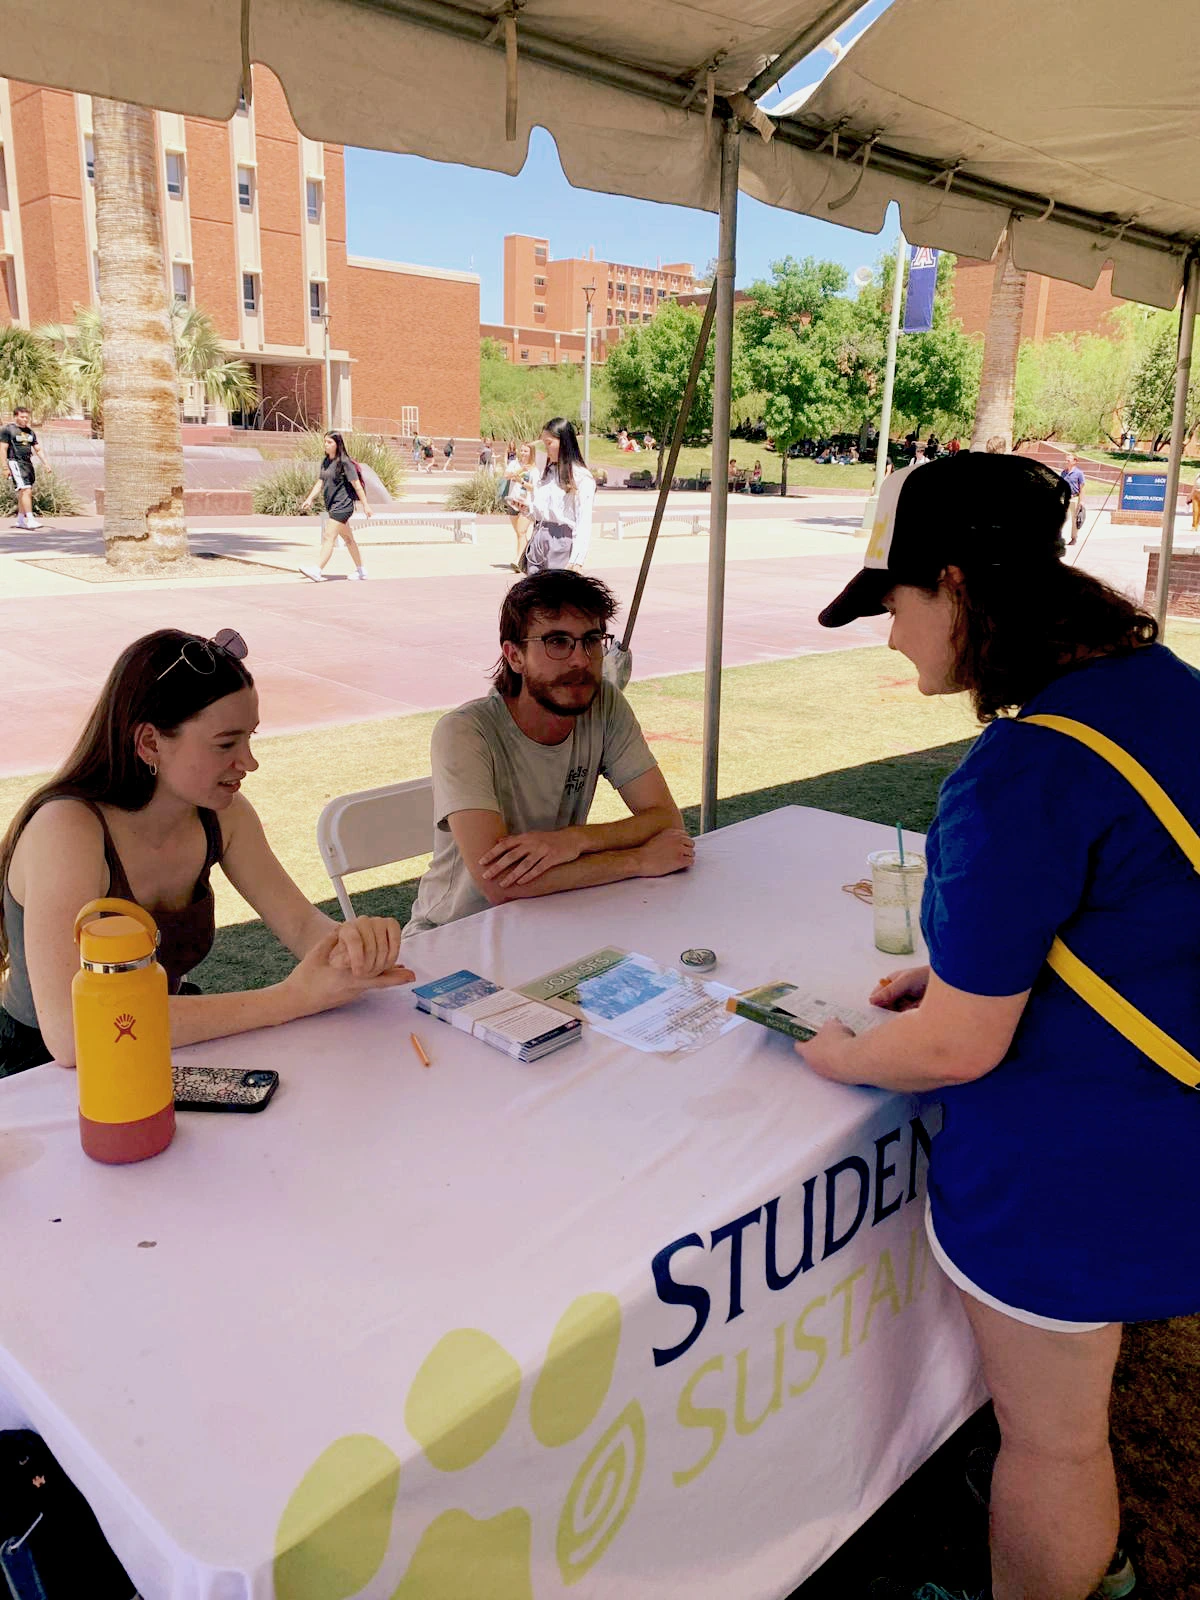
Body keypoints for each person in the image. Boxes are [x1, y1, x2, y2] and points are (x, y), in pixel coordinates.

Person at [810, 451, 1200, 1600]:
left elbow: (956, 1049)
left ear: (954, 586)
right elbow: (1131, 915)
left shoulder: (1021, 765)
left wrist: (842, 1053)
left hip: (1083, 1161)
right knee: (1070, 1407)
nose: (891, 635)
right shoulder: (1161, 684)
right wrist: (960, 979)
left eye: (895, 603)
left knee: (1055, 1437)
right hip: (1166, 1119)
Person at [0, 629, 412, 1075]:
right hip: (39, 1075)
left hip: (163, 1044)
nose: (249, 762)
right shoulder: (67, 830)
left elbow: (299, 923)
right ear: (151, 743)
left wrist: (351, 946)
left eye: (250, 738)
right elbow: (72, 1033)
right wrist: (288, 1000)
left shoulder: (223, 815)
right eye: (226, 744)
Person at [405, 571, 693, 936]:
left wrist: (574, 840)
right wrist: (637, 859)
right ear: (514, 656)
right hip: (455, 935)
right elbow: (502, 884)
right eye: (558, 642)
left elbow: (666, 820)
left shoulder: (604, 704)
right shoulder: (465, 731)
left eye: (591, 640)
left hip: (554, 919)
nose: (580, 660)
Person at [523, 417, 595, 574]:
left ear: (564, 442)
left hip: (561, 541)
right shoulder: (549, 473)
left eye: (549, 443)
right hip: (539, 537)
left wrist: (577, 560)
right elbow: (541, 511)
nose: (546, 449)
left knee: (555, 595)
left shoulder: (581, 477)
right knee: (533, 595)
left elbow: (583, 520)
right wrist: (526, 508)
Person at [298, 431, 372, 581]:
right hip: (333, 506)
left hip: (343, 506)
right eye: (325, 441)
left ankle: (317, 570)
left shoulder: (345, 463)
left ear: (338, 444)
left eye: (330, 442)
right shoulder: (325, 462)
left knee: (328, 536)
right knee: (348, 538)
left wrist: (366, 505)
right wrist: (310, 499)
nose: (326, 444)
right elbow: (320, 482)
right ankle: (361, 571)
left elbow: (356, 485)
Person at [1, 405, 49, 531]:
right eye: (22, 417)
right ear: (16, 416)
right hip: (15, 462)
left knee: (25, 491)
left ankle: (20, 520)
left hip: (27, 463)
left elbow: (37, 448)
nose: (25, 419)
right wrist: (4, 467)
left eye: (27, 417)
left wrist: (45, 463)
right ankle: (31, 519)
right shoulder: (8, 430)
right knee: (26, 490)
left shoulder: (30, 432)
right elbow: (3, 449)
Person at [502, 442, 537, 573]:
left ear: (531, 453)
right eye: (521, 450)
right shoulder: (514, 464)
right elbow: (506, 475)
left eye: (526, 451)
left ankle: (518, 560)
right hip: (513, 501)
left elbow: (534, 488)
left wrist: (522, 481)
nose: (523, 453)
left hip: (525, 504)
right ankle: (527, 557)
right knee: (519, 533)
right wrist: (521, 470)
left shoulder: (535, 469)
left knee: (522, 531)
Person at [1061, 453, 1087, 546]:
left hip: (1075, 498)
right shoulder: (1063, 472)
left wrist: (1081, 501)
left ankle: (1074, 538)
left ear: (1075, 461)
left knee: (1074, 519)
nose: (1067, 461)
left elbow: (1082, 488)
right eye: (1066, 460)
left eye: (1069, 460)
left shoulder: (1079, 473)